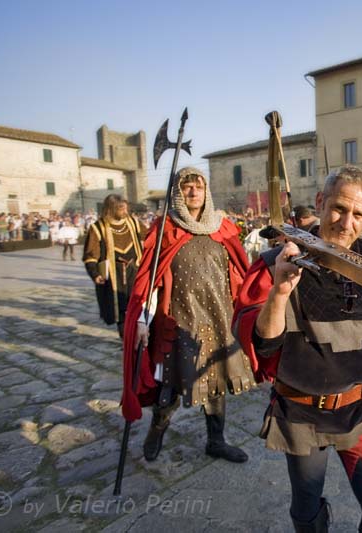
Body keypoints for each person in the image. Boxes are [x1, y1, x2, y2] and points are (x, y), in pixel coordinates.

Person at [235, 165, 362, 531]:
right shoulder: (275, 263)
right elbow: (263, 345)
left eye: (358, 214)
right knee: (306, 512)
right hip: (302, 415)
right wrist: (280, 292)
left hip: (359, 412)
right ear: (321, 202)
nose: (346, 223)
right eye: (339, 209)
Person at [120, 167, 253, 464]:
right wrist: (142, 320)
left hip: (219, 316)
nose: (193, 191)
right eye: (186, 187)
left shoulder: (223, 228)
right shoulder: (165, 228)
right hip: (180, 318)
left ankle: (216, 441)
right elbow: (148, 281)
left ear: (206, 190)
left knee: (216, 381)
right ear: (177, 193)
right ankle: (157, 429)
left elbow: (240, 272)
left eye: (198, 186)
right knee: (172, 386)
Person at [83, 194, 144, 338]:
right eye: (121, 208)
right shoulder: (98, 228)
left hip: (134, 271)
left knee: (138, 306)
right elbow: (91, 254)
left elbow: (150, 237)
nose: (125, 210)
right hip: (113, 275)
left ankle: (140, 338)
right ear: (111, 209)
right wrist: (95, 274)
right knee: (121, 312)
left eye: (125, 207)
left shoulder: (133, 223)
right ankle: (126, 341)